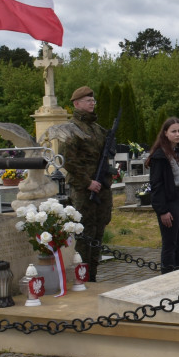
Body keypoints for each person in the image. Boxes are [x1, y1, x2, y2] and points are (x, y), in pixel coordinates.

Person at [63, 86, 113, 281]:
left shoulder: (98, 129)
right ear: (76, 104)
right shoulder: (71, 129)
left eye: (93, 100)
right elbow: (70, 162)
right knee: (85, 234)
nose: (92, 103)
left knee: (99, 231)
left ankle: (93, 275)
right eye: (87, 100)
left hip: (101, 188)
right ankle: (82, 278)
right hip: (84, 190)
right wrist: (87, 182)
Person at [146, 117, 179, 274]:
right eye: (173, 131)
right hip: (170, 202)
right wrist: (162, 210)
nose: (177, 134)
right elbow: (156, 185)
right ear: (165, 133)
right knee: (170, 243)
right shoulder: (160, 156)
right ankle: (168, 277)